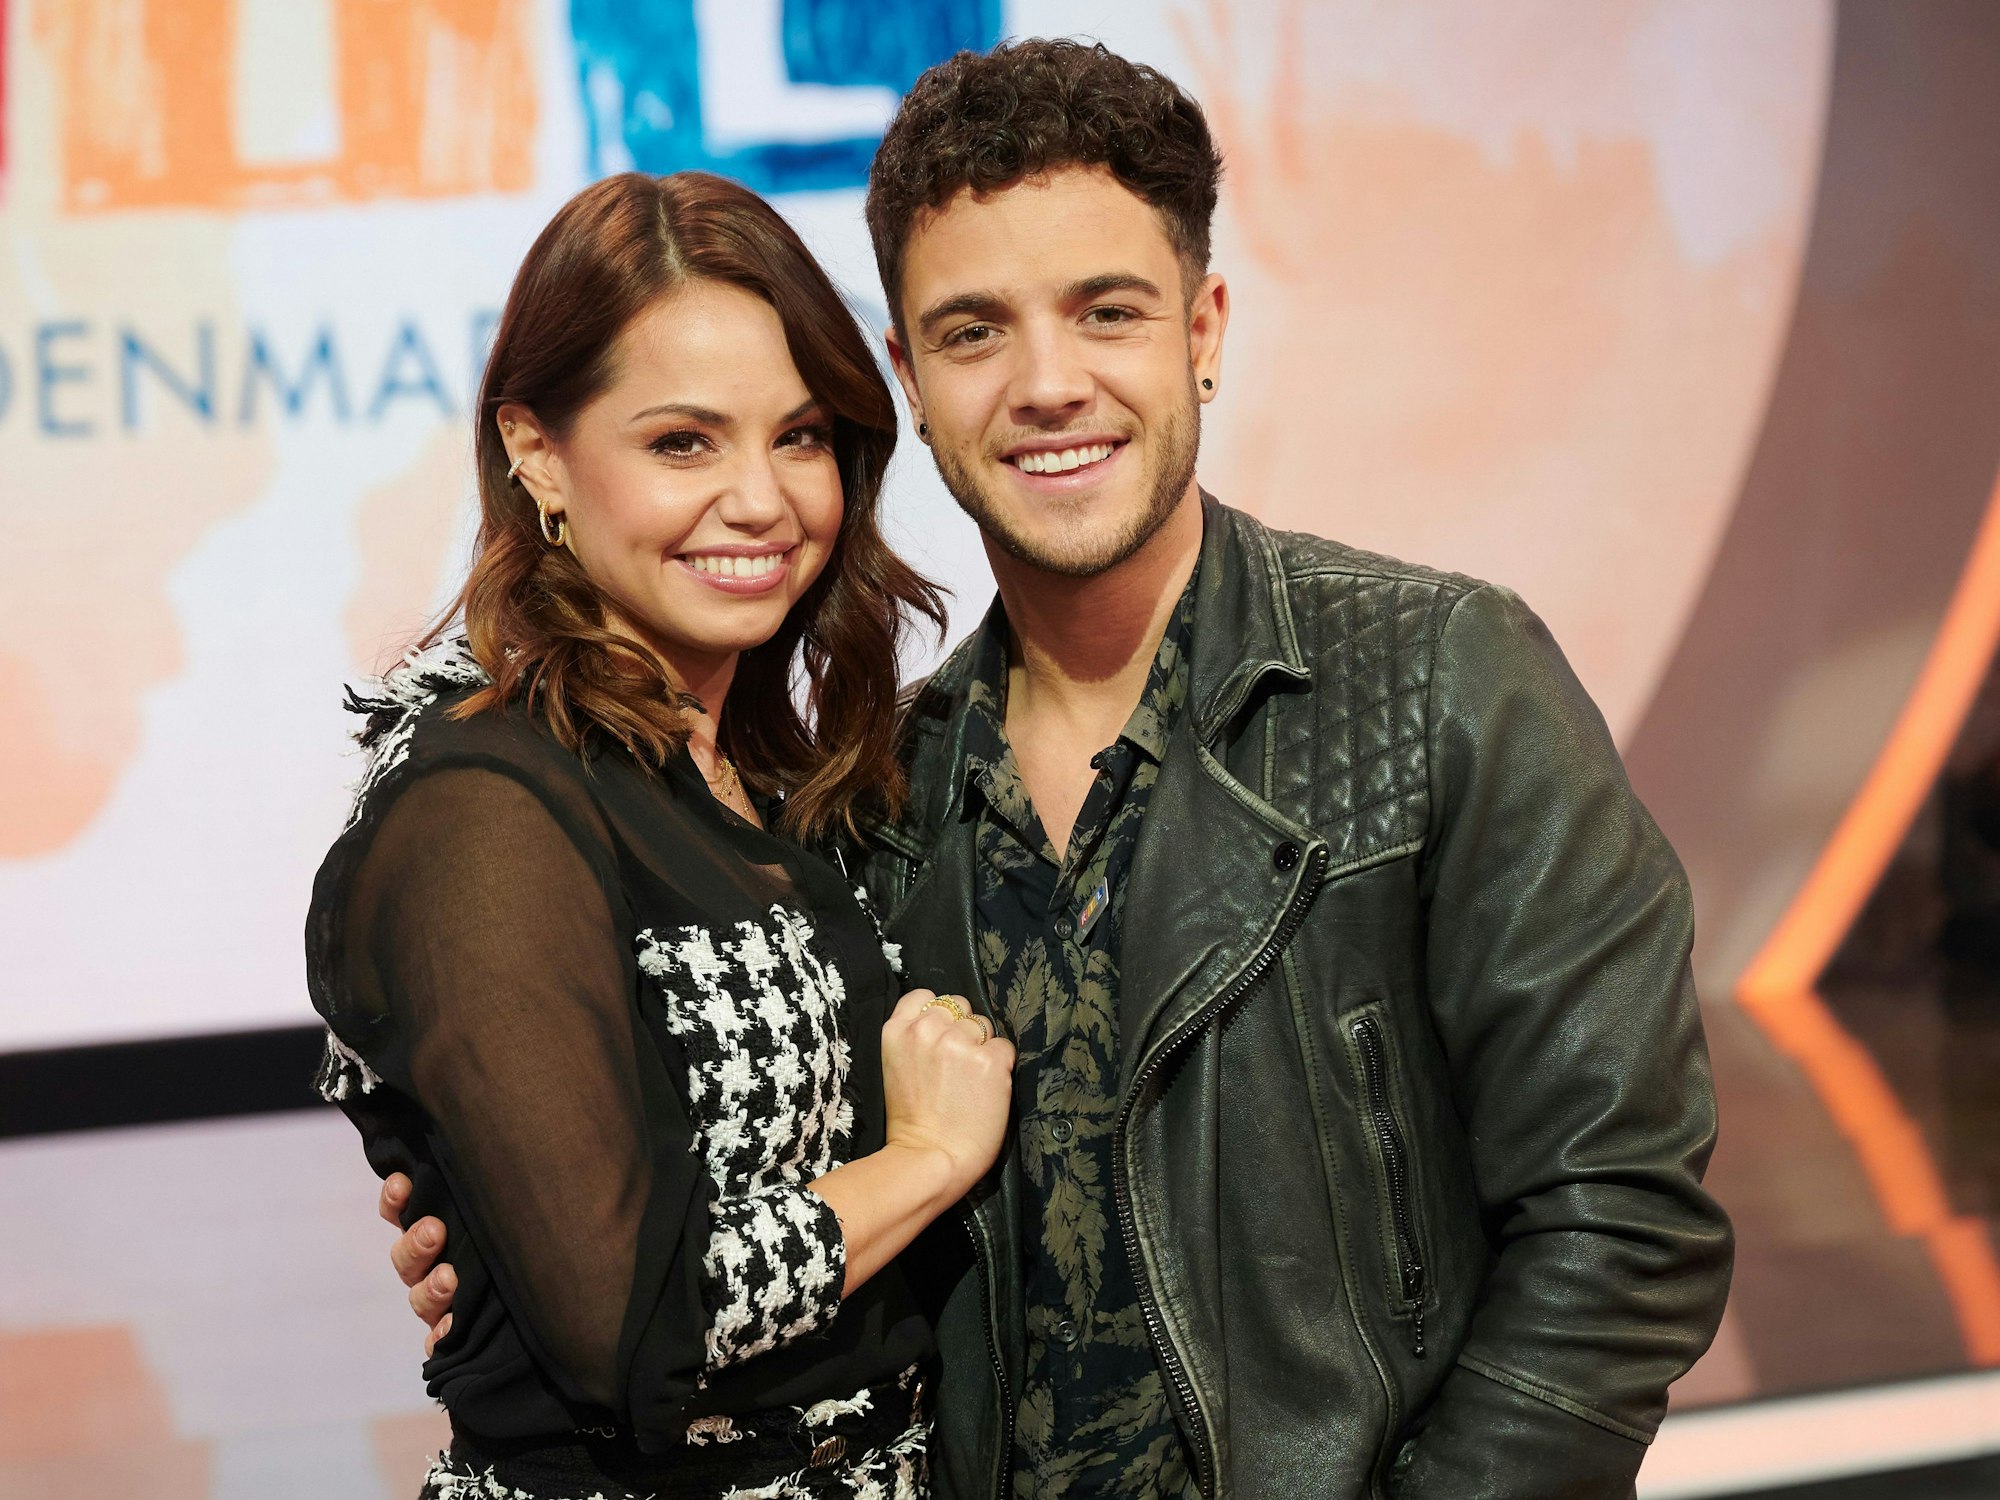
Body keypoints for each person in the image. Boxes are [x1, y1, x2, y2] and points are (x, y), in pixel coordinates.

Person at [388, 40, 1734, 1499]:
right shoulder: (870, 796)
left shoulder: (1439, 682)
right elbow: (703, 1226)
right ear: (905, 376)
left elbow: (1621, 1225)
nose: (1047, 384)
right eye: (973, 332)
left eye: (1107, 313)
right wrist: (496, 1244)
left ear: (1203, 328)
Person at [307, 170, 1016, 1499]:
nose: (761, 500)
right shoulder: (481, 812)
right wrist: (923, 1162)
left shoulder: (756, 766)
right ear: (535, 451)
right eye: (684, 443)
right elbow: (634, 1322)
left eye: (800, 436)